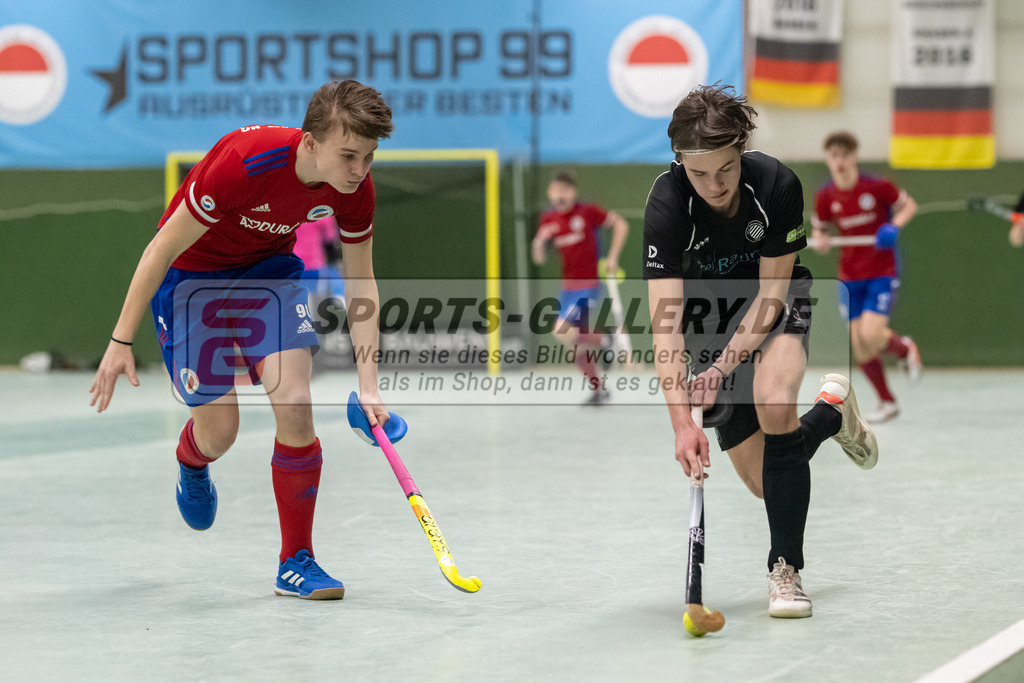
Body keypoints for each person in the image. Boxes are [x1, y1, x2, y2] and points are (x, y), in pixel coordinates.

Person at [89, 80, 395, 600]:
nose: (359, 170)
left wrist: (370, 384)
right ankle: (192, 460)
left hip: (268, 275)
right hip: (191, 280)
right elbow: (160, 249)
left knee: (296, 402)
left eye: (368, 157)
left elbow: (361, 282)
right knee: (220, 434)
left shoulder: (354, 191)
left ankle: (296, 561)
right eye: (348, 156)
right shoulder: (245, 162)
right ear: (311, 142)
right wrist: (120, 340)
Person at [644, 84, 879, 619]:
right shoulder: (667, 203)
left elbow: (772, 297)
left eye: (725, 169)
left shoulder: (775, 185)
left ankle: (785, 570)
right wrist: (681, 423)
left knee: (775, 402)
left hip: (774, 302)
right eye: (699, 173)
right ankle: (832, 413)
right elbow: (666, 328)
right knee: (761, 481)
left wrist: (721, 369)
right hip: (708, 322)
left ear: (741, 150)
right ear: (680, 161)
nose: (714, 185)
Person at [811, 131, 922, 423]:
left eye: (845, 154)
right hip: (849, 276)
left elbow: (909, 206)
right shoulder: (826, 196)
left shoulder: (877, 186)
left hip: (881, 271)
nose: (840, 161)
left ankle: (905, 348)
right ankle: (887, 402)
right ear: (827, 159)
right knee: (860, 345)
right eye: (834, 155)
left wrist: (894, 225)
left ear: (854, 157)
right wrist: (821, 240)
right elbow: (820, 229)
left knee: (871, 335)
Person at [531, 171, 628, 405]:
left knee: (560, 329)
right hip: (567, 289)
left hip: (589, 285)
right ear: (549, 193)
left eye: (565, 191)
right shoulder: (548, 219)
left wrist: (613, 257)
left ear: (573, 192)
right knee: (574, 346)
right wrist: (538, 243)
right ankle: (599, 391)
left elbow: (621, 224)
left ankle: (606, 338)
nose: (560, 195)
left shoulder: (587, 211)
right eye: (556, 191)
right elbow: (539, 260)